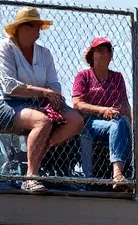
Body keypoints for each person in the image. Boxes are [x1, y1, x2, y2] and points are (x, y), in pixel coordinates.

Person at [1, 6, 84, 192]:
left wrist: (54, 97)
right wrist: (45, 93)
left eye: (38, 25)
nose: (36, 30)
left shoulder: (44, 53)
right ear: (19, 28)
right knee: (42, 121)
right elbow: (10, 86)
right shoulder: (5, 47)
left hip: (40, 103)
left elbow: (53, 83)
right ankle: (30, 177)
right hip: (9, 104)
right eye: (31, 25)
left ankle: (40, 148)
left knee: (76, 120)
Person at [71, 37, 138, 187]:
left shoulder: (117, 77)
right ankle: (117, 174)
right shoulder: (83, 76)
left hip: (115, 120)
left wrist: (133, 125)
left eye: (107, 51)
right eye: (99, 51)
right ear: (91, 55)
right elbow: (77, 103)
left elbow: (124, 105)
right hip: (90, 121)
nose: (103, 54)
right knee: (117, 125)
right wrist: (102, 110)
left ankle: (135, 179)